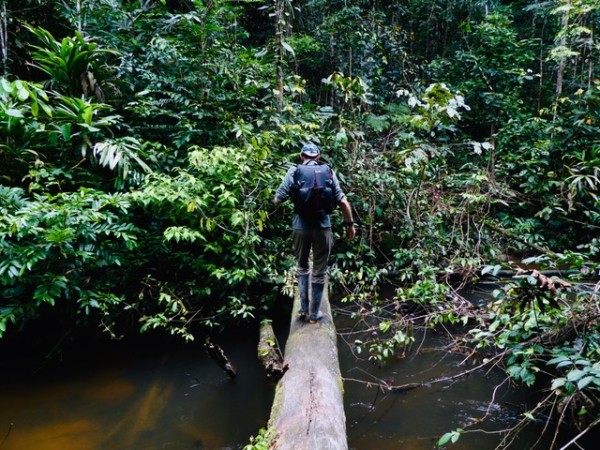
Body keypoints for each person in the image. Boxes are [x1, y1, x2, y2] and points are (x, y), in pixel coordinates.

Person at [274, 143, 355, 323]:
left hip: (300, 227)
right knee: (319, 270)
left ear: (302, 157)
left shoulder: (294, 171)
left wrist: (296, 195)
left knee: (302, 266)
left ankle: (303, 308)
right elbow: (342, 201)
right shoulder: (328, 171)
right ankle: (314, 313)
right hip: (323, 227)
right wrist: (350, 224)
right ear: (318, 157)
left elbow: (277, 199)